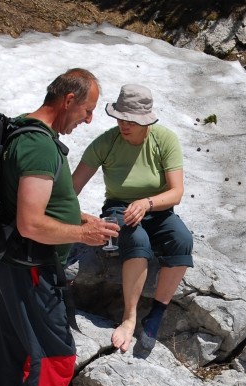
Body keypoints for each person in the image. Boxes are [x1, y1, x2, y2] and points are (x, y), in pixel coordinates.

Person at [0, 68, 119, 386]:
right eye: (88, 110)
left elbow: (35, 208)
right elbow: (31, 223)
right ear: (68, 100)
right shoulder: (39, 148)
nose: (90, 120)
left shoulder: (20, 134)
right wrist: (81, 233)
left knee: (13, 357)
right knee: (57, 359)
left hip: (9, 265)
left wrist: (80, 218)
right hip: (32, 268)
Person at [72, 84, 194, 352]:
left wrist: (147, 202)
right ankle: (130, 318)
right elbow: (72, 188)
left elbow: (176, 192)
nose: (124, 125)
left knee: (182, 240)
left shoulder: (164, 140)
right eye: (120, 118)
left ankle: (157, 314)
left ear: (145, 120)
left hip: (158, 208)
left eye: (132, 121)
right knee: (137, 241)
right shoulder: (106, 142)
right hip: (119, 208)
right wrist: (80, 219)